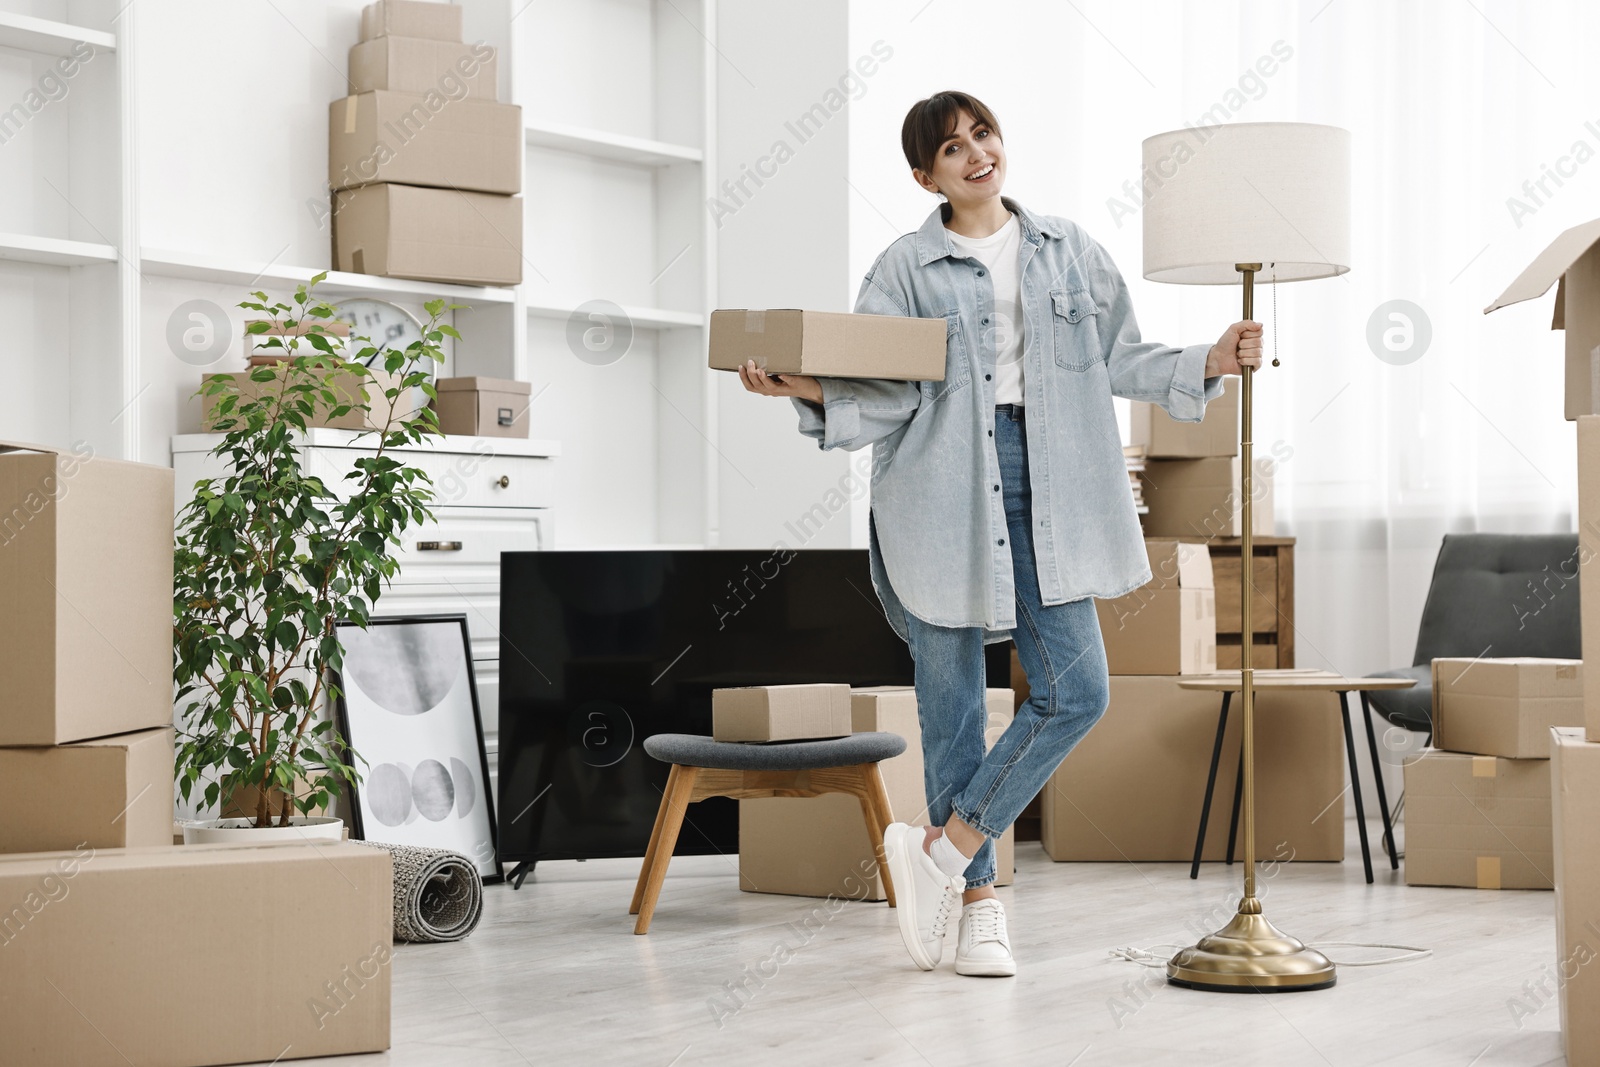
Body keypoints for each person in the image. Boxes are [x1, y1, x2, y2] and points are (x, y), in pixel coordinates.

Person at [738, 90, 1262, 977]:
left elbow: (1121, 355)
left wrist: (1206, 360)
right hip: (939, 489)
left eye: (983, 134)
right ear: (924, 175)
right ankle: (977, 903)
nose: (976, 153)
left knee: (1078, 690)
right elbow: (887, 387)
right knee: (952, 707)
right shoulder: (904, 267)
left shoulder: (1068, 249)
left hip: (1055, 483)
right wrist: (805, 390)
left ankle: (942, 850)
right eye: (951, 148)